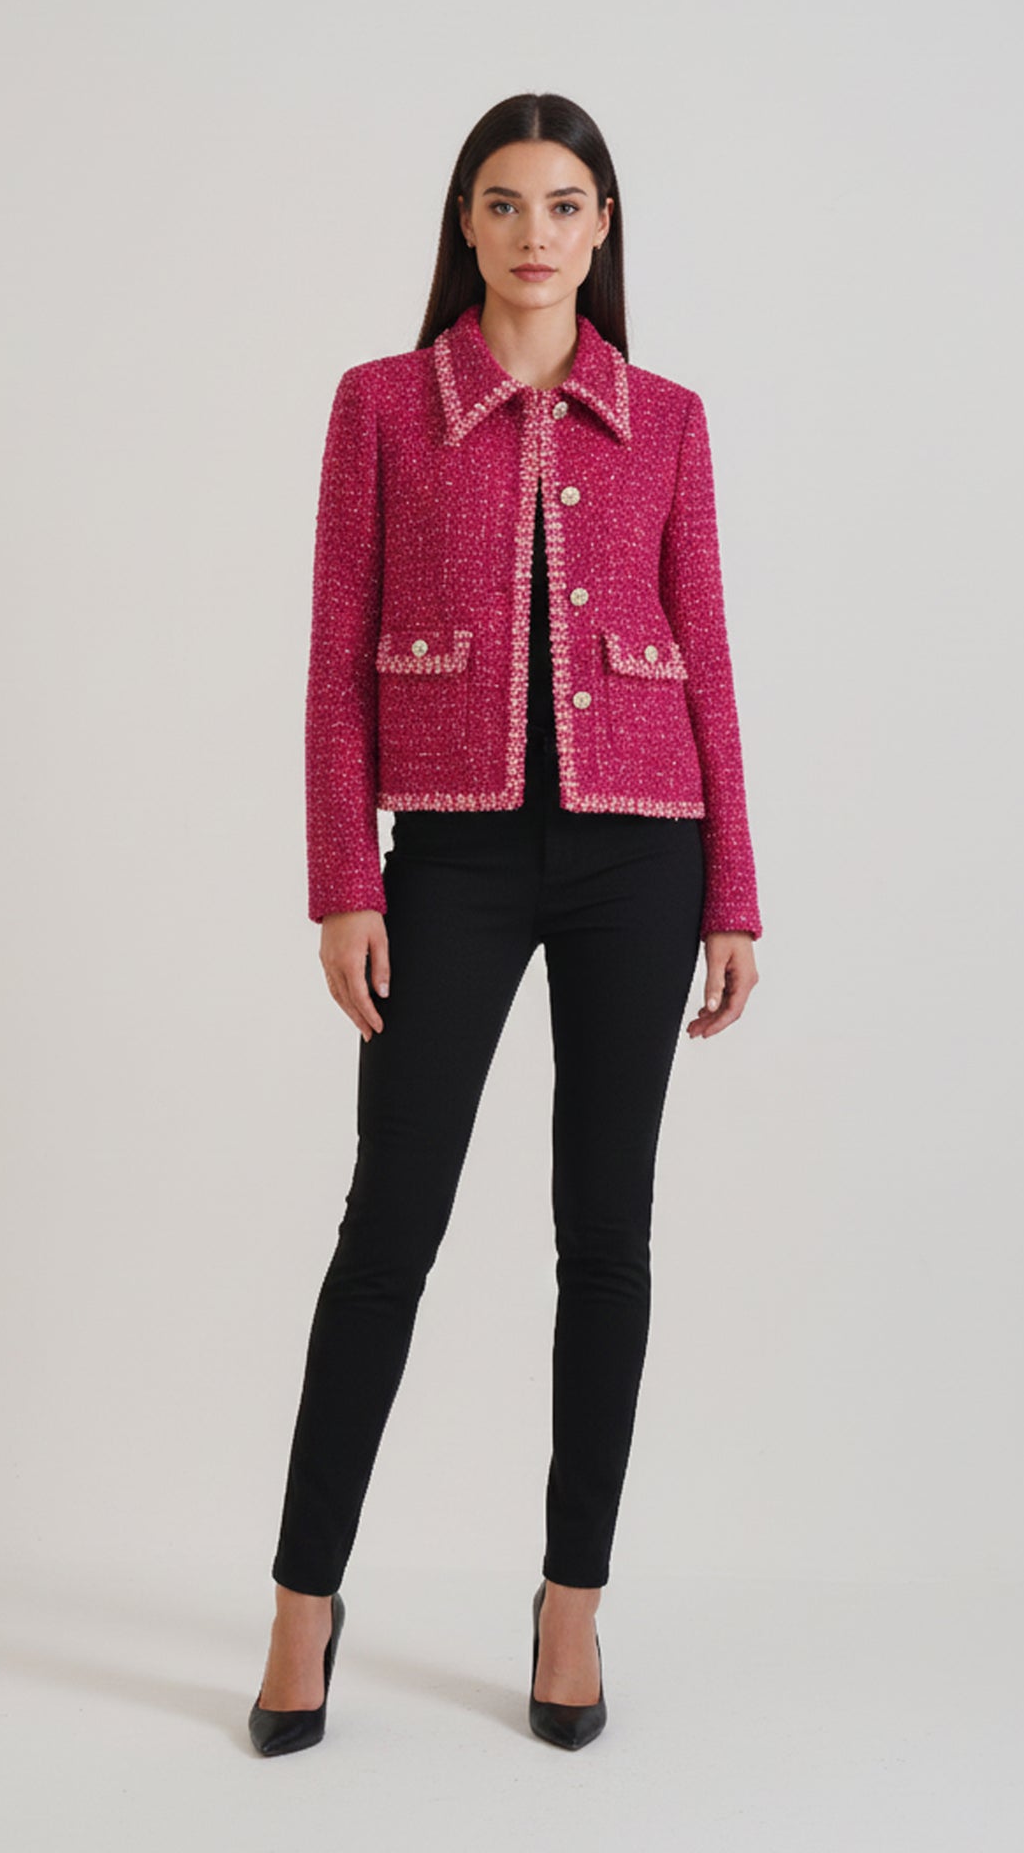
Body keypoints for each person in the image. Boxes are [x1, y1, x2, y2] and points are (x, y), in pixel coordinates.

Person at [250, 91, 762, 1756]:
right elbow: (334, 649)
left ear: (601, 227)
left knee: (604, 1235)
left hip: (643, 858)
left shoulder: (667, 419)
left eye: (563, 203)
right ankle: (304, 1603)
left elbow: (708, 652)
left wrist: (732, 891)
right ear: (463, 225)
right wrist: (344, 878)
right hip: (450, 863)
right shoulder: (382, 404)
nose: (533, 233)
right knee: (387, 1229)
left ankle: (570, 1604)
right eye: (502, 202)